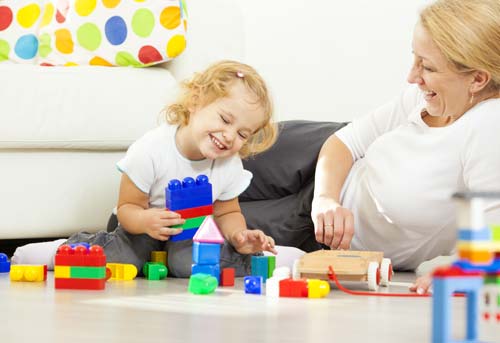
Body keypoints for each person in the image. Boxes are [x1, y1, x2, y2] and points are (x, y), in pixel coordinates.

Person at [13, 60, 281, 277]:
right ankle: (62, 251)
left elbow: (228, 211)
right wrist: (146, 221)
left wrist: (238, 235)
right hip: (137, 228)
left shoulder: (228, 164)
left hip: (190, 234)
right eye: (224, 119)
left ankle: (265, 260)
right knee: (126, 258)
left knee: (188, 262)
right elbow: (127, 208)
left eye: (243, 134)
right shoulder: (152, 149)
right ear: (196, 101)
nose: (229, 136)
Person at [311, 0, 500, 294]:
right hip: (318, 172)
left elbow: (491, 234)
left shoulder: (489, 125)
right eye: (415, 59)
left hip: (324, 242)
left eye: (426, 66)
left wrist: (465, 270)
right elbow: (344, 141)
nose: (412, 77)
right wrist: (325, 200)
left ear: (477, 78)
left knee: (222, 224)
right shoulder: (425, 97)